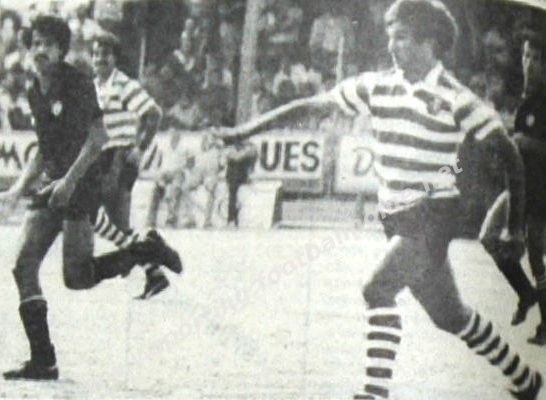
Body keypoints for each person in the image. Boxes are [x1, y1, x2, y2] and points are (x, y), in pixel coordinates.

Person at [215, 1, 542, 398]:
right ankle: (526, 379)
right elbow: (310, 107)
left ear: (429, 42)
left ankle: (374, 393)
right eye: (390, 37)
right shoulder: (376, 86)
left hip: (433, 215)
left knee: (377, 289)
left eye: (401, 38)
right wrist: (245, 131)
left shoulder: (456, 98)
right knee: (450, 316)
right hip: (397, 218)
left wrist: (514, 227)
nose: (391, 46)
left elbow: (510, 156)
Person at [0, 16, 182, 381]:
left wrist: (68, 183)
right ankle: (43, 360)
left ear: (62, 50)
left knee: (77, 276)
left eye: (48, 44)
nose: (40, 50)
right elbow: (44, 150)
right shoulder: (35, 89)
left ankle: (144, 250)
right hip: (54, 182)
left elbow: (97, 138)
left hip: (82, 181)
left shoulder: (77, 83)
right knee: (23, 266)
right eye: (35, 43)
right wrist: (19, 188)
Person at [90, 31, 170, 299]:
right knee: (116, 223)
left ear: (115, 57)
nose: (99, 59)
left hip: (118, 156)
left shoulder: (123, 84)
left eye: (105, 54)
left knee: (93, 213)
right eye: (96, 53)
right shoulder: (95, 86)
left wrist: (139, 148)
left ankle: (148, 255)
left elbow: (153, 113)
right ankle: (153, 268)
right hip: (102, 158)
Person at [511, 31, 546, 345]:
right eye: (526, 56)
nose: (529, 63)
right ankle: (526, 293)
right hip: (521, 186)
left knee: (536, 253)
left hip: (540, 189)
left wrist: (523, 142)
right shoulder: (524, 98)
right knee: (491, 237)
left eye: (536, 58)